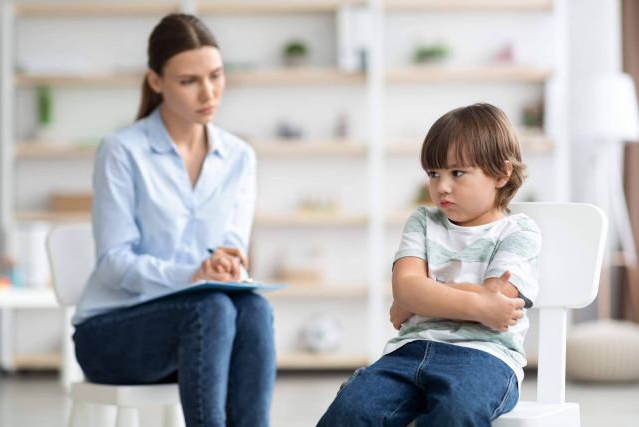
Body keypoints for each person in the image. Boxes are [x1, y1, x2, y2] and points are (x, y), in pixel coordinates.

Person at [71, 14, 275, 427]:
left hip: (203, 333)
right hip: (112, 334)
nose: (209, 92)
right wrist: (194, 273)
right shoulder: (122, 151)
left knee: (252, 308)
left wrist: (227, 265)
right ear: (155, 81)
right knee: (212, 307)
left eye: (216, 76)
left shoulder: (239, 157)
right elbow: (113, 262)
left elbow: (232, 245)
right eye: (189, 81)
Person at [318, 103, 541, 427]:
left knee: (457, 412)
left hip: (486, 357)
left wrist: (423, 295)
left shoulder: (519, 231)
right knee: (349, 410)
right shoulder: (423, 221)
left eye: (457, 173)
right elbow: (407, 288)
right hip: (409, 351)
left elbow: (499, 301)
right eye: (434, 173)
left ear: (501, 174)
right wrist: (470, 301)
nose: (441, 186)